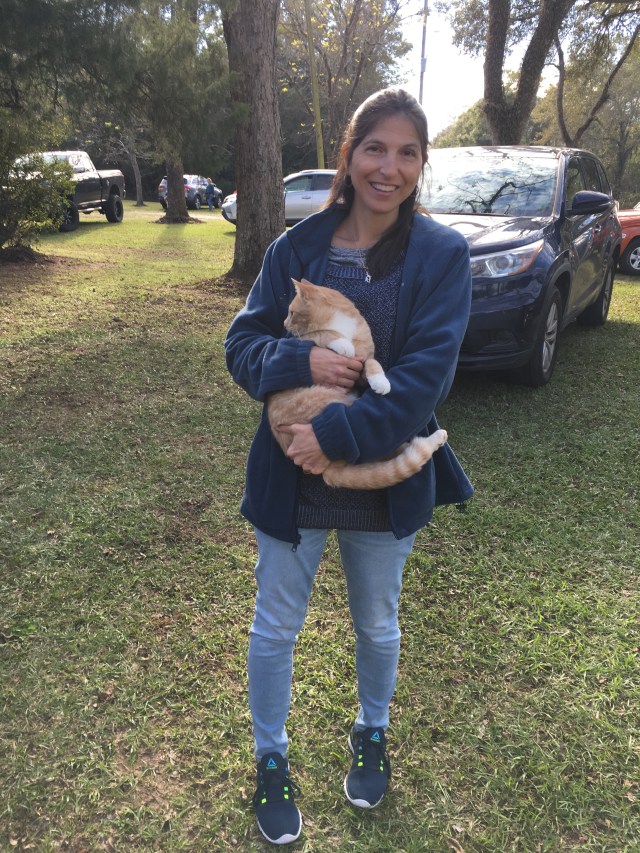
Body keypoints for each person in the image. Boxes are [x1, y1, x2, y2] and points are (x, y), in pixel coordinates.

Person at [225, 87, 473, 846]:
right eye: (375, 148)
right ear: (350, 155)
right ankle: (271, 758)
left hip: (381, 470)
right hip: (289, 473)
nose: (387, 167)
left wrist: (330, 437)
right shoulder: (294, 251)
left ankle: (372, 731)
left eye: (406, 153)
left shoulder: (441, 255)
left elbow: (423, 383)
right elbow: (241, 347)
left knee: (377, 621)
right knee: (275, 626)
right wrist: (297, 360)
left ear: (421, 164)